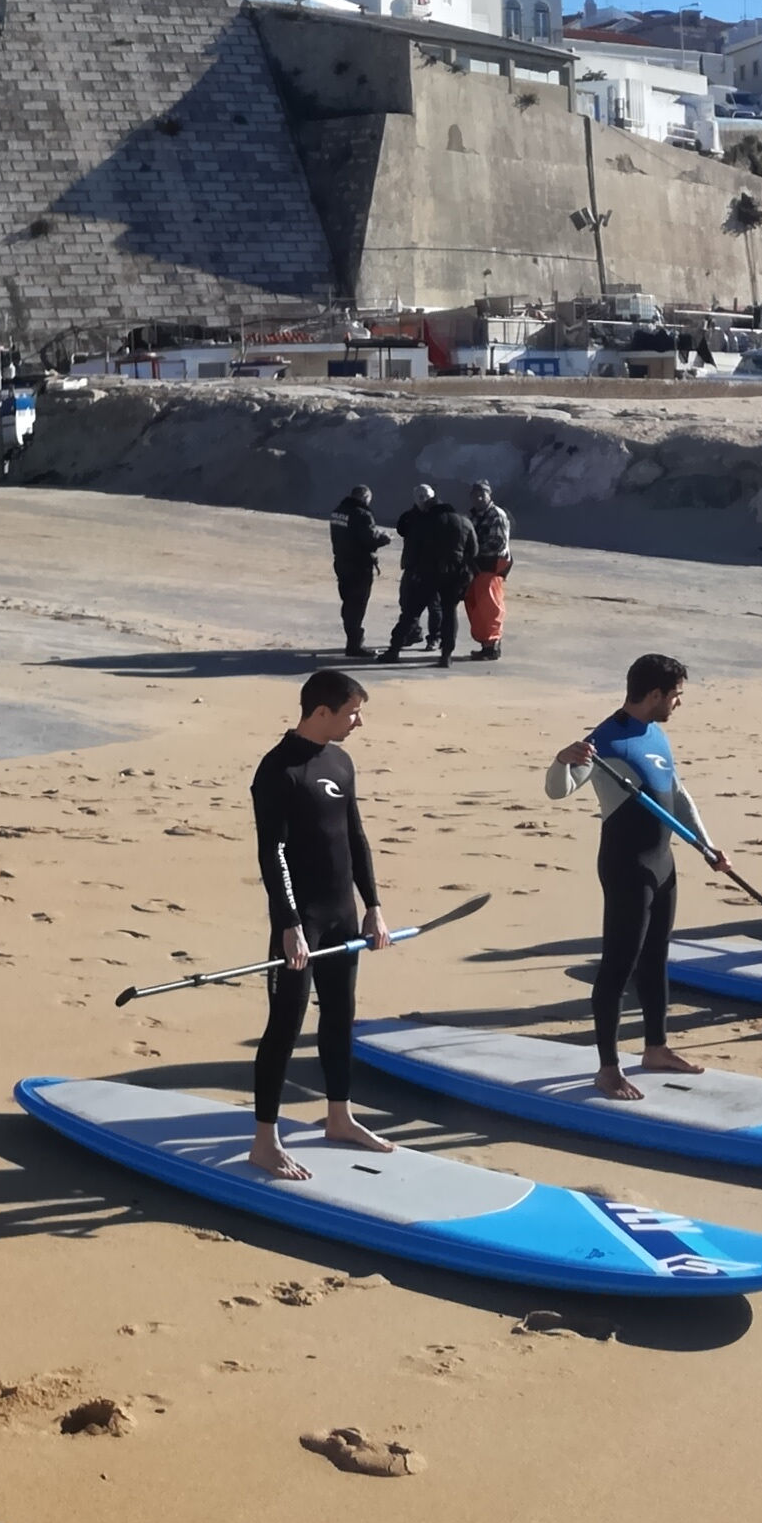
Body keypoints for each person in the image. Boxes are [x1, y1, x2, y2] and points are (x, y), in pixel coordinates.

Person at [541, 653, 710, 1096]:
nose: (678, 704)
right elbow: (558, 791)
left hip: (663, 862)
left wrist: (705, 845)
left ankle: (655, 1048)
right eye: (675, 696)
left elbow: (676, 793)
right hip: (627, 866)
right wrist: (561, 760)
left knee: (657, 958)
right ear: (654, 695)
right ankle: (608, 1067)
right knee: (619, 966)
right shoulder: (603, 742)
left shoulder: (655, 733)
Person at [247, 669, 391, 1169]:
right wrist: (288, 923)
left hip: (342, 915)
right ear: (322, 712)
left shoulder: (341, 762)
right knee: (285, 1024)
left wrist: (373, 906)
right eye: (352, 712)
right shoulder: (277, 771)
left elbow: (355, 838)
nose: (359, 721)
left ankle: (339, 1116)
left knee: (339, 1017)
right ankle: (265, 1140)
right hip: (300, 921)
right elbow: (274, 855)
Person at [391, 483, 466, 665]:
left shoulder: (435, 521)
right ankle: (414, 635)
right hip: (421, 570)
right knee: (407, 603)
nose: (422, 500)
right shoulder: (413, 517)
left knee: (433, 608)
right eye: (419, 497)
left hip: (429, 572)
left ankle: (432, 638)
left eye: (425, 497)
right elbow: (402, 528)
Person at [324, 486, 388, 657]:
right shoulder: (362, 514)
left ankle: (352, 638)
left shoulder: (338, 512)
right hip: (359, 565)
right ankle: (354, 645)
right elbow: (369, 539)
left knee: (348, 602)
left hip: (342, 563)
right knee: (357, 605)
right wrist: (384, 538)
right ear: (364, 497)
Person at [458, 481, 513, 664]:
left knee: (489, 604)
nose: (479, 498)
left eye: (482, 494)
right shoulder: (472, 516)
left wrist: (472, 551)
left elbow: (497, 543)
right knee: (474, 602)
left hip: (491, 563)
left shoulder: (496, 515)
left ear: (490, 495)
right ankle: (485, 643)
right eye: (475, 494)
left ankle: (492, 643)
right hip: (476, 565)